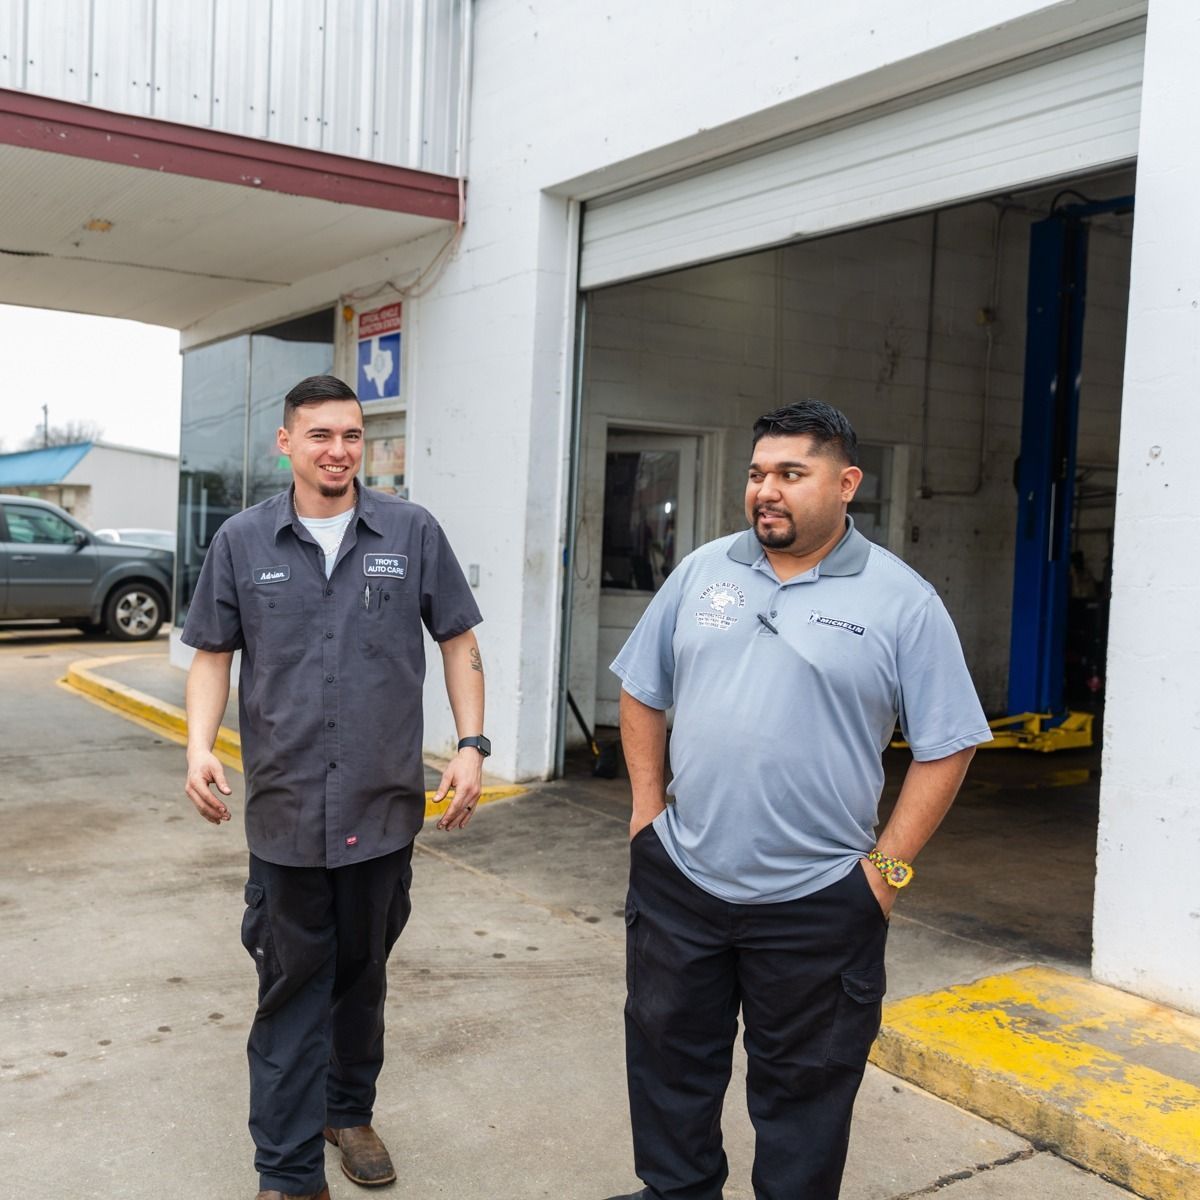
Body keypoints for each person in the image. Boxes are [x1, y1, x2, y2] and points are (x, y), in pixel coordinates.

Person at [604, 401, 992, 1200]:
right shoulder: (704, 569)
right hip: (683, 879)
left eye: (790, 474)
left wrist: (884, 871)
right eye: (756, 474)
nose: (765, 491)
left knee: (806, 1096)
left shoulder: (902, 601)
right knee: (668, 1063)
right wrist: (647, 814)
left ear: (847, 483)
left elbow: (948, 743)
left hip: (819, 900)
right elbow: (642, 692)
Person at [182, 375, 489, 1200]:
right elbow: (213, 653)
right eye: (320, 435)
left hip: (382, 809)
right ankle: (285, 1173)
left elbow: (458, 640)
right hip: (284, 813)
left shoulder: (411, 531)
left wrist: (470, 744)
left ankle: (346, 1111)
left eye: (351, 435)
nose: (338, 450)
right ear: (285, 443)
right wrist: (198, 747)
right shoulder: (243, 542)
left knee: (363, 975)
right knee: (290, 987)